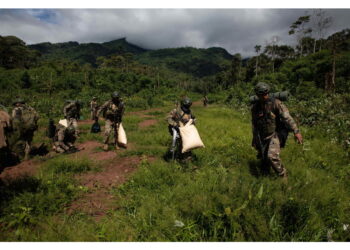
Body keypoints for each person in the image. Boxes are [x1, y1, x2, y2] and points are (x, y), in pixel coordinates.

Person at [251, 82, 303, 178]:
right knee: (263, 157)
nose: (265, 96)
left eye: (266, 94)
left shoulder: (276, 103)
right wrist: (254, 139)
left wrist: (296, 131)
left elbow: (287, 118)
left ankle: (283, 175)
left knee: (272, 156)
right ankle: (265, 174)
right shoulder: (255, 108)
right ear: (258, 95)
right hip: (262, 136)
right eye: (262, 95)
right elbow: (254, 124)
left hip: (275, 134)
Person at [166, 97, 196, 161]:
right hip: (175, 129)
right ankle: (184, 157)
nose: (187, 108)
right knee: (182, 141)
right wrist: (175, 125)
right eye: (186, 106)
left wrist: (193, 120)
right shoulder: (176, 111)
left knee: (188, 142)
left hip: (185, 130)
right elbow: (168, 118)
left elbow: (194, 121)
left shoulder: (190, 112)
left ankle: (184, 156)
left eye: (188, 106)